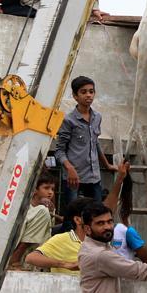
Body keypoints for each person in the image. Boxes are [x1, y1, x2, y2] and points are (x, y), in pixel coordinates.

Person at [55, 76, 116, 204]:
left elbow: (95, 143)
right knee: (72, 218)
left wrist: (107, 165)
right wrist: (70, 169)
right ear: (75, 96)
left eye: (91, 91)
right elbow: (59, 151)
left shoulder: (97, 117)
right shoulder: (68, 120)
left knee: (96, 216)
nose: (88, 95)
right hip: (73, 179)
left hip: (94, 178)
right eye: (83, 92)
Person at [25, 197, 92, 274]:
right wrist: (66, 264)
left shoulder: (103, 240)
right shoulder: (63, 239)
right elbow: (31, 258)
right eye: (92, 216)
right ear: (77, 220)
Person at [8, 173, 57, 269]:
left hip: (35, 253)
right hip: (18, 249)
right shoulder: (25, 205)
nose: (50, 192)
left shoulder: (47, 207)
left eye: (52, 189)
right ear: (35, 189)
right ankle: (15, 259)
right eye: (46, 188)